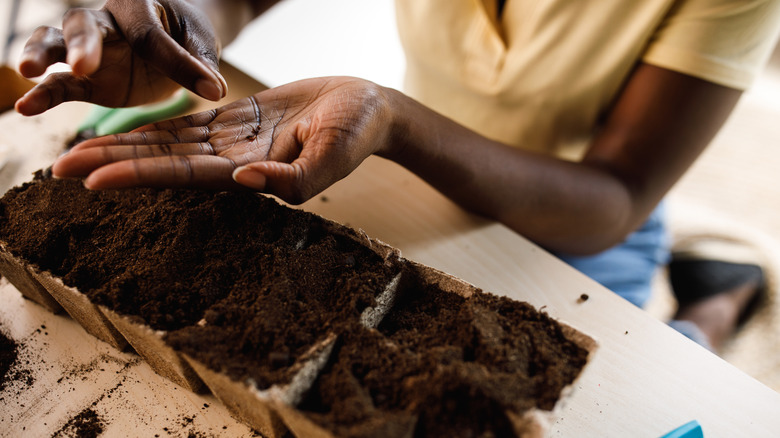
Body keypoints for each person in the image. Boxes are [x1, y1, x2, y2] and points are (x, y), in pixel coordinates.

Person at [14, 0, 780, 351]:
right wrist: (181, 24)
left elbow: (614, 195)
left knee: (649, 379)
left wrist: (397, 119)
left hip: (573, 216)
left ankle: (716, 305)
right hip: (409, 174)